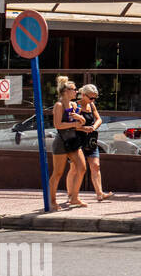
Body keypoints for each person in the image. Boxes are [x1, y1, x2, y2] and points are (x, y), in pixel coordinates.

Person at [48, 76, 89, 209]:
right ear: (65, 91)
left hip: (73, 140)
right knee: (58, 173)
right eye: (74, 89)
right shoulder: (59, 105)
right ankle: (52, 201)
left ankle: (74, 198)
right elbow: (58, 125)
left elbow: (79, 123)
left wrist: (80, 119)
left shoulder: (74, 105)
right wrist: (76, 123)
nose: (76, 92)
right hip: (61, 141)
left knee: (82, 168)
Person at [77, 84, 113, 201]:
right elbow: (71, 125)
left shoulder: (91, 105)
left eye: (95, 98)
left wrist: (93, 127)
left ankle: (99, 193)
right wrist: (84, 128)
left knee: (96, 166)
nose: (93, 100)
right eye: (91, 98)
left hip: (91, 139)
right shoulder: (75, 105)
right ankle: (72, 194)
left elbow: (99, 119)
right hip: (78, 139)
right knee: (75, 168)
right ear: (83, 95)